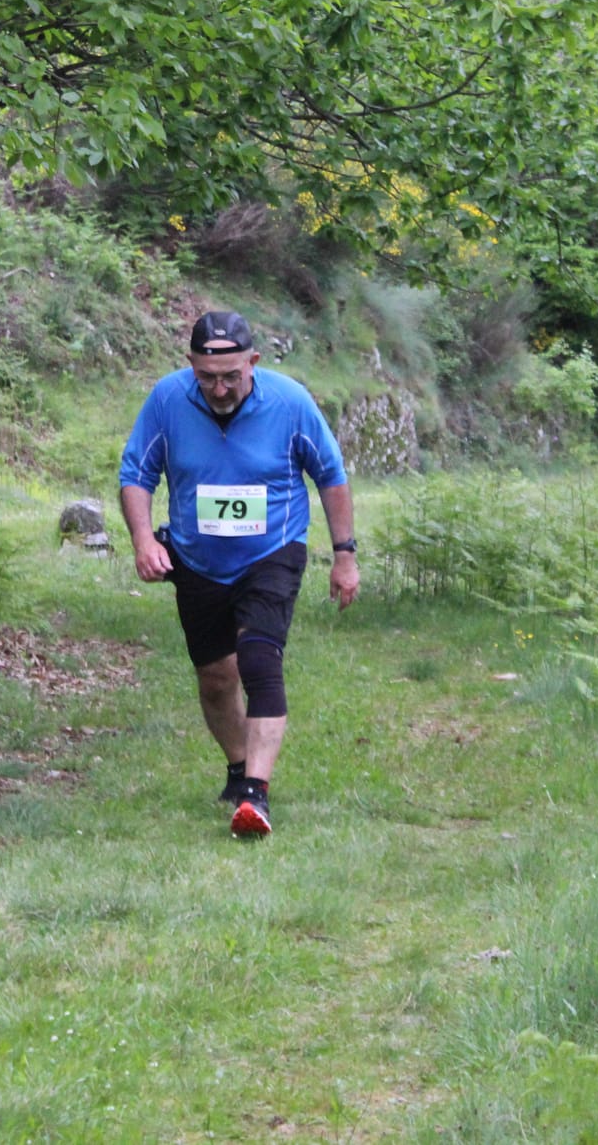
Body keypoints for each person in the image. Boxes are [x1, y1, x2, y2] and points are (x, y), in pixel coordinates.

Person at [117, 310, 359, 838]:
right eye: (207, 377)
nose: (220, 388)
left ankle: (256, 792)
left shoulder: (290, 403)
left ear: (254, 362)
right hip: (198, 557)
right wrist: (141, 540)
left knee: (257, 658)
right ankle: (237, 766)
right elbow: (136, 474)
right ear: (190, 366)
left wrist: (344, 553)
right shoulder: (167, 400)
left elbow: (331, 477)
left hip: (272, 550)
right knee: (216, 679)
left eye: (232, 376)